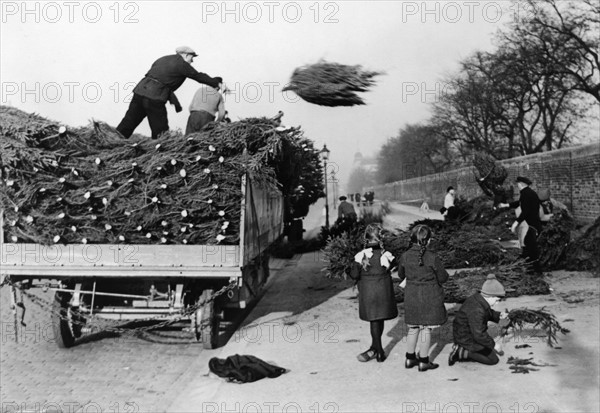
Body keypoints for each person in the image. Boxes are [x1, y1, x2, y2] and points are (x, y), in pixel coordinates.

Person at [117, 46, 221, 139]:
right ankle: (158, 155)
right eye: (192, 57)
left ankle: (112, 144)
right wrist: (217, 83)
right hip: (155, 96)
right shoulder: (181, 64)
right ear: (185, 55)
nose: (192, 61)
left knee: (128, 123)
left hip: (139, 92)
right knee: (160, 132)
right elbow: (198, 76)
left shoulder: (162, 59)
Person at [398, 224, 449, 372]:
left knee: (413, 327)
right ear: (428, 240)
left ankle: (409, 358)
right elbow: (443, 277)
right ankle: (424, 361)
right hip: (430, 295)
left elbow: (401, 275)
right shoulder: (432, 257)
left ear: (412, 239)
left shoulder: (405, 256)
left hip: (412, 295)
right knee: (426, 328)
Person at [349, 224, 398, 363]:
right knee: (379, 318)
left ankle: (379, 350)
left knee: (374, 319)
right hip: (383, 291)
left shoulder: (361, 256)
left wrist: (349, 269)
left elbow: (354, 275)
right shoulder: (385, 254)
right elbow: (395, 266)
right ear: (381, 238)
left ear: (366, 238)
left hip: (369, 292)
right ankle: (375, 347)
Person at [448, 274, 508, 366]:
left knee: (488, 351)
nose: (497, 303)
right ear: (489, 296)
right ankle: (460, 351)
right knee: (493, 360)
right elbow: (479, 334)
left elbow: (487, 312)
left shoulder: (479, 300)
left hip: (469, 332)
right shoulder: (477, 310)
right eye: (497, 300)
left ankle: (466, 350)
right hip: (466, 337)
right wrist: (494, 344)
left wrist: (499, 315)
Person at [498, 176, 542, 274]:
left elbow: (525, 211)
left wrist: (515, 223)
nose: (517, 185)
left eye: (517, 183)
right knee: (528, 247)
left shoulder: (526, 194)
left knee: (530, 248)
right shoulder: (528, 193)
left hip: (532, 225)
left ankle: (537, 271)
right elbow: (520, 203)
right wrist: (506, 205)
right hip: (533, 224)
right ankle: (529, 269)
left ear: (521, 184)